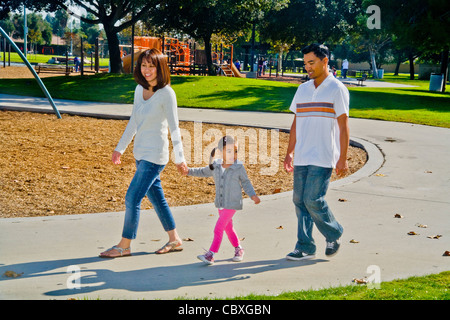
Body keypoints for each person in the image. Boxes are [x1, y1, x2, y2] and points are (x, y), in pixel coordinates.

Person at [100, 49, 188, 258]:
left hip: (155, 156)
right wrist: (120, 148)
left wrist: (180, 158)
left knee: (132, 198)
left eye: (151, 66)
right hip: (140, 153)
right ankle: (175, 239)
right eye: (143, 65)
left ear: (160, 68)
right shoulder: (139, 90)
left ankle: (124, 245)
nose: (146, 70)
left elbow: (175, 128)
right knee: (157, 199)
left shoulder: (167, 94)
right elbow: (134, 121)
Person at [284, 43, 349, 261]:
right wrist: (289, 152)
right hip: (302, 155)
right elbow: (296, 122)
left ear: (325, 61)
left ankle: (334, 232)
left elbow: (343, 126)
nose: (307, 68)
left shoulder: (337, 89)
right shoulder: (302, 89)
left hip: (323, 156)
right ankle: (305, 246)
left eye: (311, 63)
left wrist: (343, 158)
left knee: (313, 199)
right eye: (305, 64)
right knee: (299, 201)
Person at [183, 136, 261, 265]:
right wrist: (188, 171)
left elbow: (246, 182)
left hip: (232, 203)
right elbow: (202, 171)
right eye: (229, 151)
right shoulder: (216, 166)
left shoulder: (238, 168)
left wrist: (253, 195)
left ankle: (211, 254)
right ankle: (239, 249)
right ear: (220, 151)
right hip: (220, 204)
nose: (234, 154)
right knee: (228, 228)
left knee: (218, 228)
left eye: (236, 151)